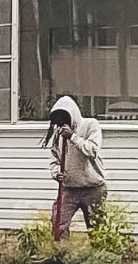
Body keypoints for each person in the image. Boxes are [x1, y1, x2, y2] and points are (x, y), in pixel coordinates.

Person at [42, 95, 107, 241]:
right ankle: (62, 256)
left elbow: (92, 150)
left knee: (97, 229)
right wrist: (56, 173)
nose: (62, 122)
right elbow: (54, 159)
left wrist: (73, 137)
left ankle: (100, 259)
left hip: (92, 187)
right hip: (69, 188)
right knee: (58, 225)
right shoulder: (59, 134)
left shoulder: (90, 125)